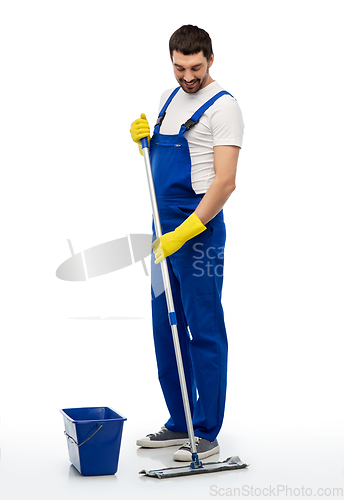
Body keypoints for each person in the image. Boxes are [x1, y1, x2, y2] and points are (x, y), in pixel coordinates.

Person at [130, 25, 244, 462]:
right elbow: (165, 159)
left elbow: (226, 181)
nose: (188, 76)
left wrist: (187, 230)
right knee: (167, 328)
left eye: (195, 67)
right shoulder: (169, 97)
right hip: (163, 229)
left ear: (210, 60)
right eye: (180, 67)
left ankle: (207, 432)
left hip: (198, 230)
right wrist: (144, 140)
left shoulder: (225, 107)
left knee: (203, 328)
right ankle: (180, 424)